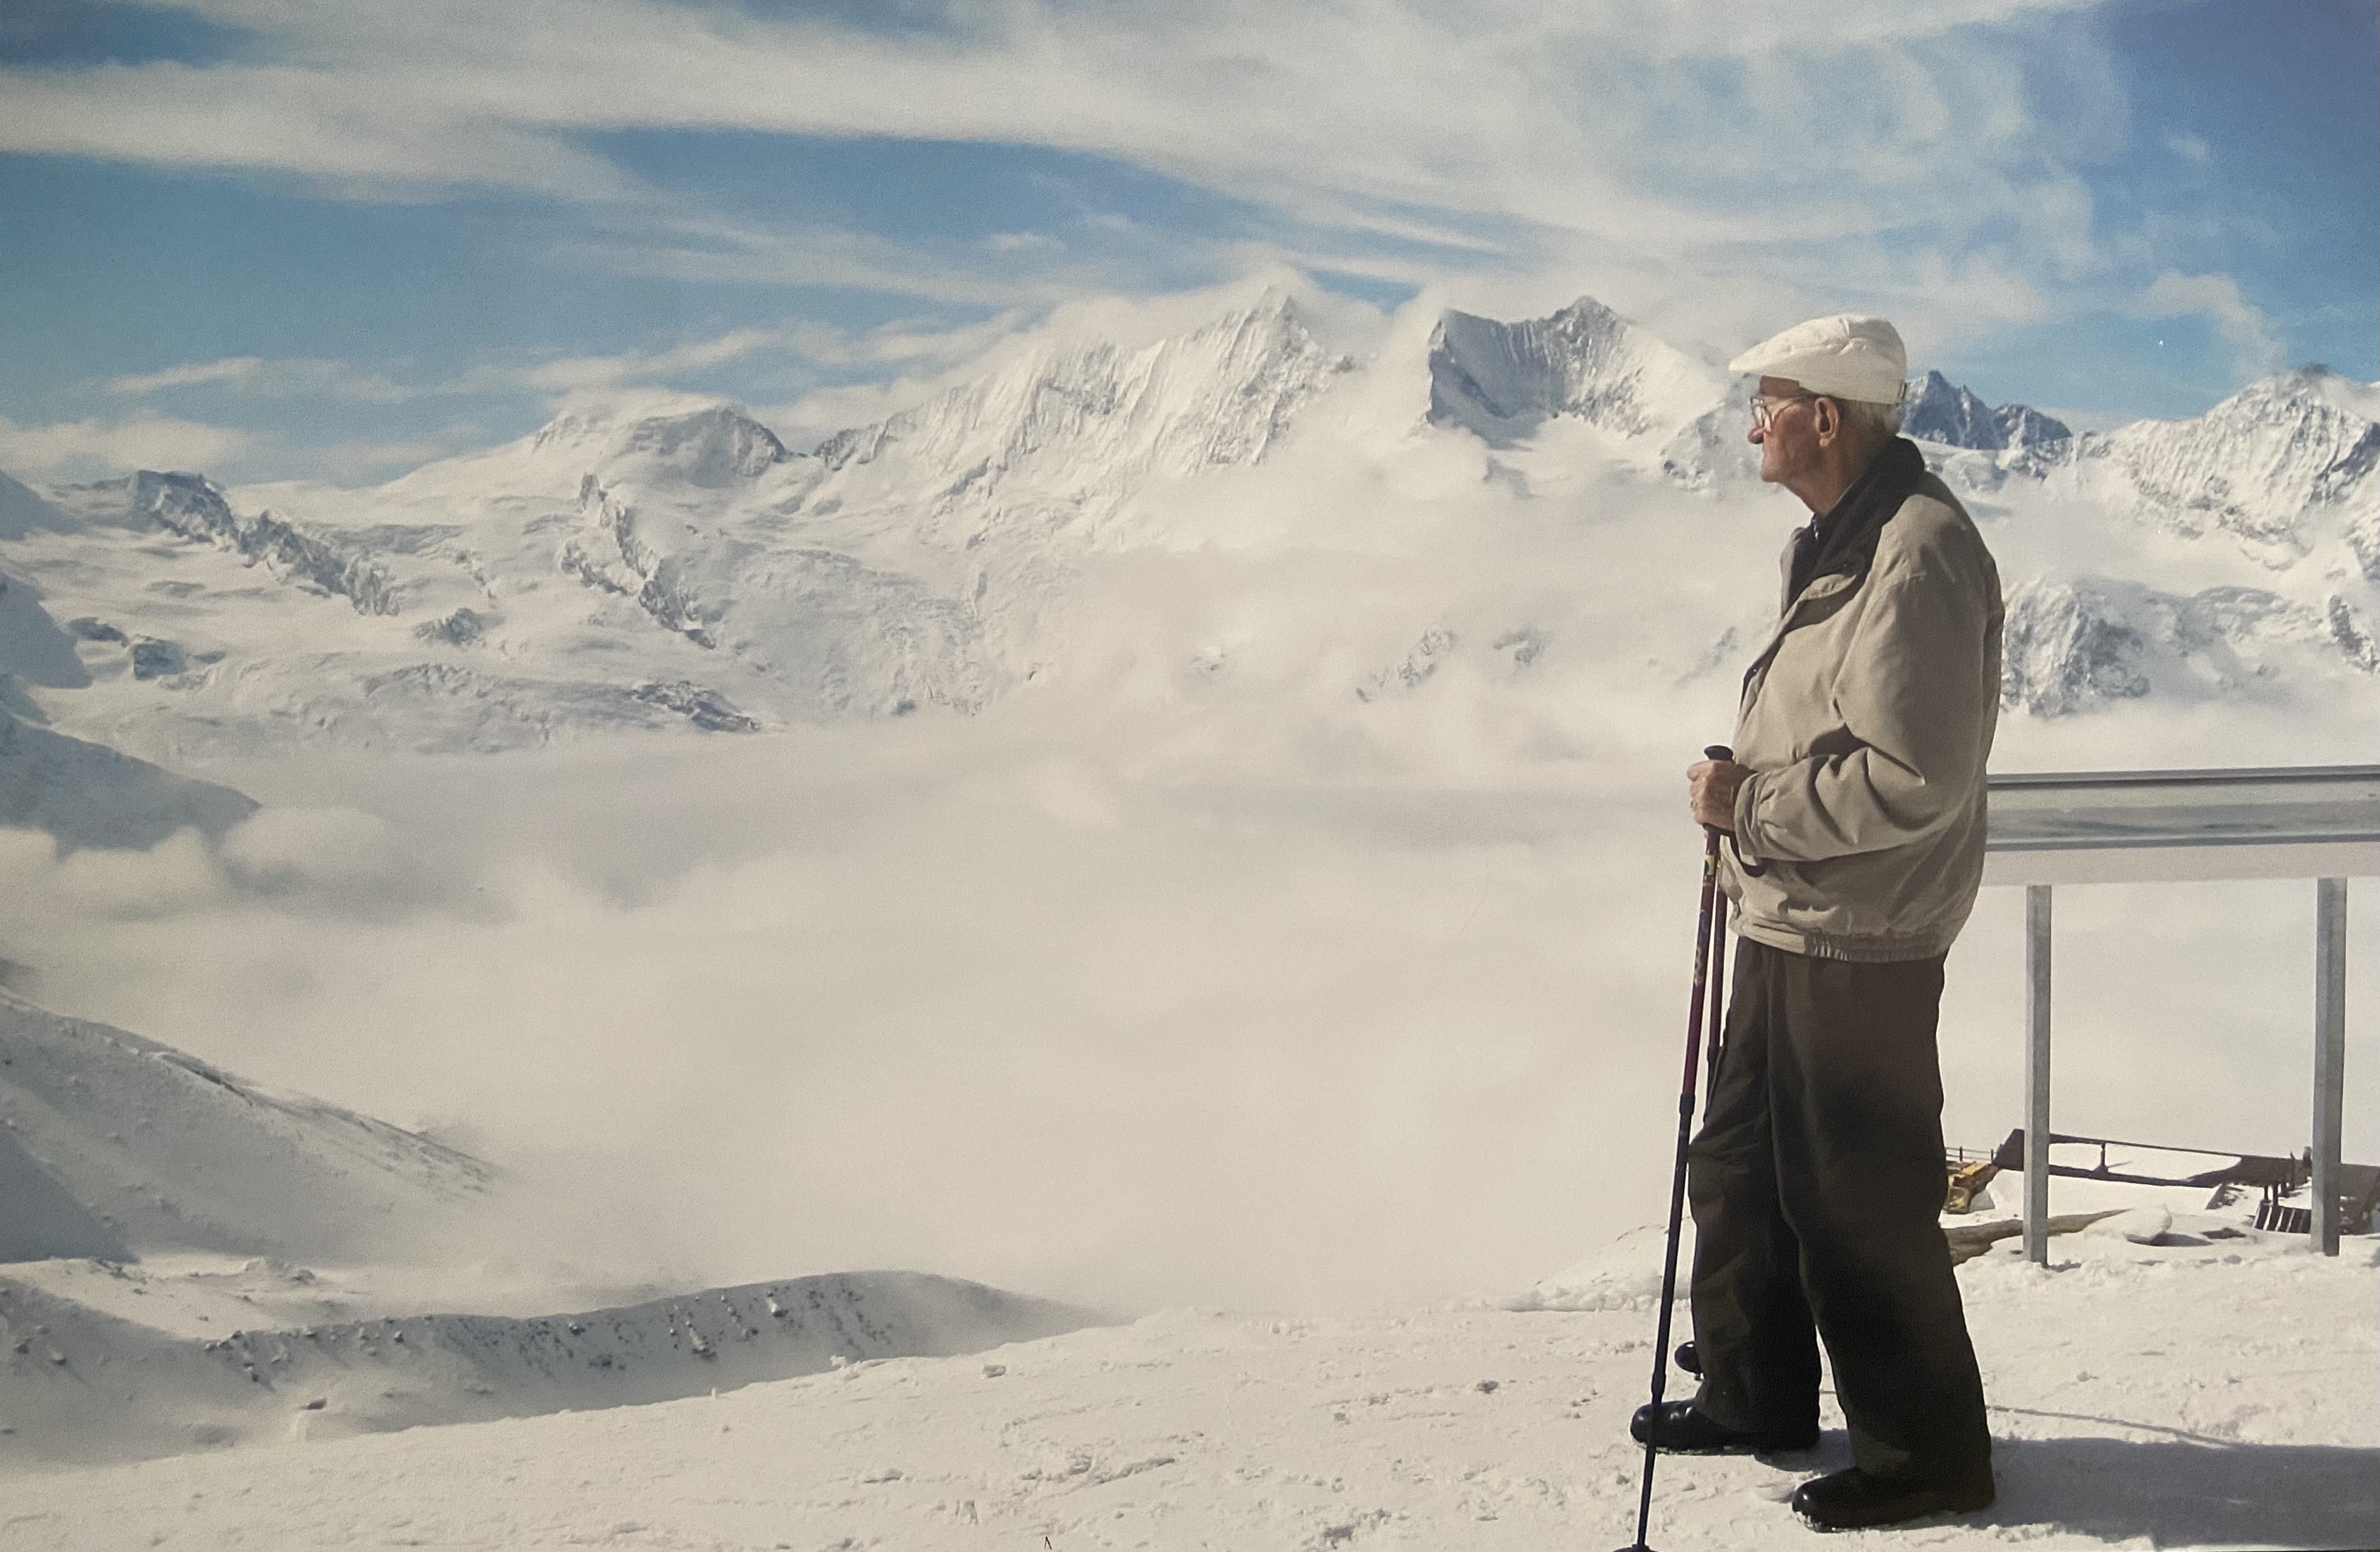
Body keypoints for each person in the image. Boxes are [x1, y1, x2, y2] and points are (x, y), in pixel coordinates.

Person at [1629, 314, 2005, 1532]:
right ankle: (1756, 1391)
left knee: (1856, 1202)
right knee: (1738, 1165)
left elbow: (1912, 777)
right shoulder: (1839, 540)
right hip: (1790, 907)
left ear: (1825, 421)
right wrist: (1753, 811)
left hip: (1861, 936)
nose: (1752, 423)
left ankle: (1926, 1460)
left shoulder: (1918, 553)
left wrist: (1751, 804)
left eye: (1768, 402)